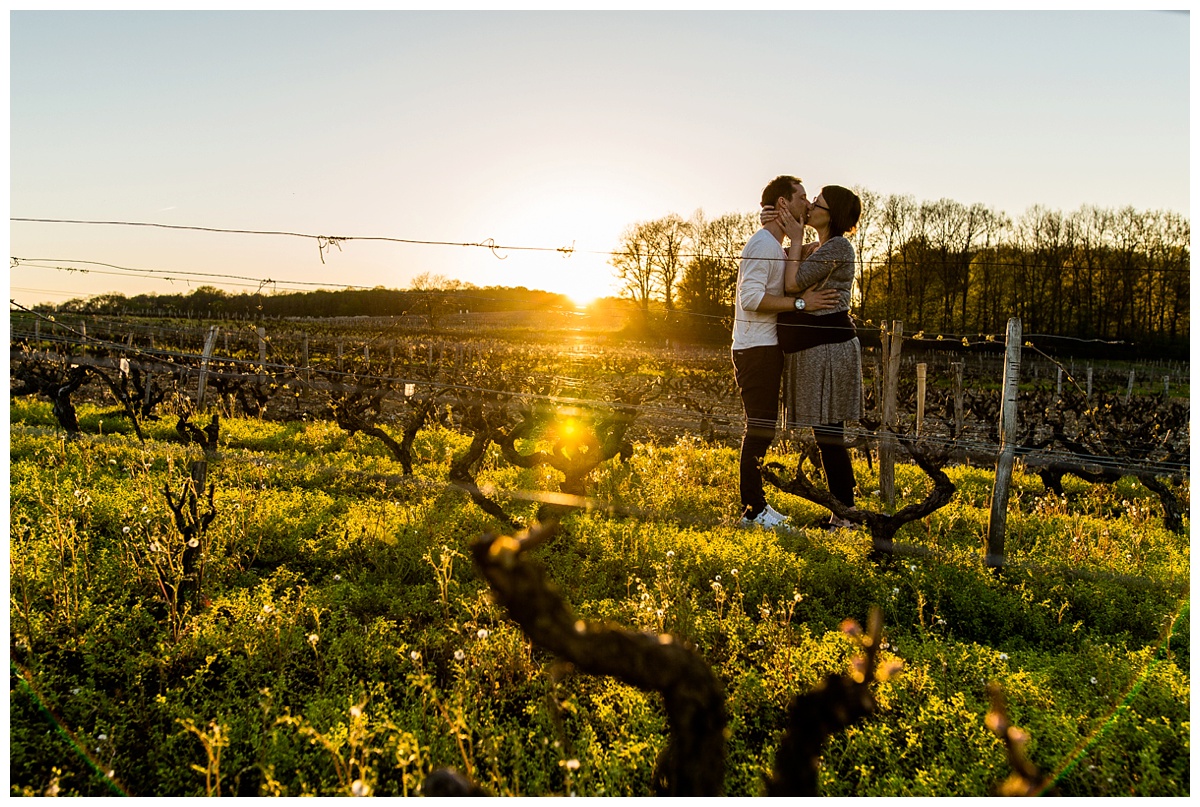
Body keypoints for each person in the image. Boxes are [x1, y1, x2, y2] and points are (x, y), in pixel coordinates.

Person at [732, 175, 839, 528]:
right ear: (782, 204)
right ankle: (752, 511)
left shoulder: (773, 246)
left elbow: (788, 270)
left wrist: (802, 245)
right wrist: (800, 304)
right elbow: (750, 299)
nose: (808, 204)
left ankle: (757, 504)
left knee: (764, 429)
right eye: (802, 197)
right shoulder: (763, 244)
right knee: (759, 430)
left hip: (765, 347)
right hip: (756, 349)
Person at [772, 185, 864, 529]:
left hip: (828, 352)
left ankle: (846, 515)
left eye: (818, 203)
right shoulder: (822, 248)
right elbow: (787, 269)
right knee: (827, 434)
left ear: (832, 214)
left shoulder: (837, 246)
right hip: (817, 350)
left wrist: (795, 239)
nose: (811, 206)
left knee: (829, 434)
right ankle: (844, 511)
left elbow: (792, 283)